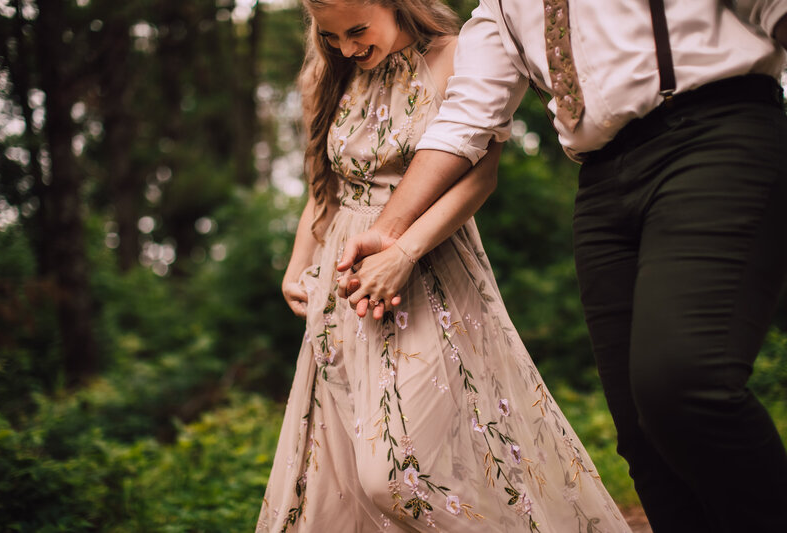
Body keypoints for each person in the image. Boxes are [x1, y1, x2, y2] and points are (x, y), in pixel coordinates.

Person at [336, 1, 787, 532]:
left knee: (684, 384)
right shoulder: (501, 10)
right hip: (602, 180)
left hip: (715, 135)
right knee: (642, 437)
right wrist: (388, 232)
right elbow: (466, 119)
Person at [256, 0, 632, 531]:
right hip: (346, 283)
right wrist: (298, 267)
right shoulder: (327, 74)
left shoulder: (456, 56)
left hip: (430, 269)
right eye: (332, 35)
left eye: (357, 30)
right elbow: (325, 191)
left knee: (397, 476)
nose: (346, 48)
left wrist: (403, 252)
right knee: (339, 477)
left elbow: (480, 178)